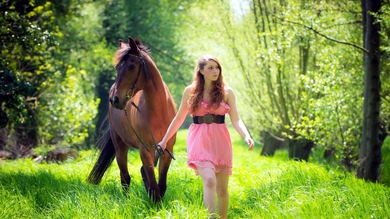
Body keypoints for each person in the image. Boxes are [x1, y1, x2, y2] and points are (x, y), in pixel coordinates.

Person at [157, 54, 254, 219]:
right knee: (209, 180)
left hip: (221, 141)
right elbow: (179, 118)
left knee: (222, 189)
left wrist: (246, 135)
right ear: (201, 71)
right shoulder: (190, 91)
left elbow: (236, 119)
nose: (215, 71)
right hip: (199, 140)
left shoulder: (227, 92)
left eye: (217, 67)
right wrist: (164, 140)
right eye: (210, 68)